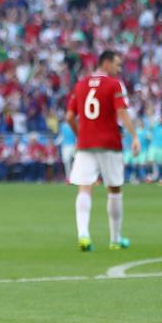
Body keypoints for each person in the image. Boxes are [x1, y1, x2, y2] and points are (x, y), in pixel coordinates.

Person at [66, 50, 140, 252]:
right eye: (117, 65)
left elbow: (69, 116)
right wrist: (134, 135)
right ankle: (115, 239)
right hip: (109, 143)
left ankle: (83, 235)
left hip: (86, 144)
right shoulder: (114, 85)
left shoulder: (80, 85)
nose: (119, 69)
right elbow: (122, 112)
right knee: (114, 189)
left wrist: (79, 134)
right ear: (106, 64)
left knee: (84, 187)